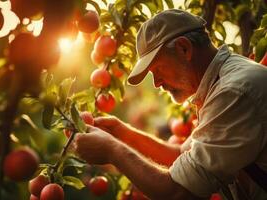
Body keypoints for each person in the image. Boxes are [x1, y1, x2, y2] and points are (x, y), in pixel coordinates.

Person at [74, 9, 267, 200]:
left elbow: (178, 192)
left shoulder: (233, 91)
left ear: (184, 48)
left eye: (157, 69)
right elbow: (179, 154)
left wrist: (112, 150)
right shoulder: (219, 84)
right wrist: (122, 133)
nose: (157, 83)